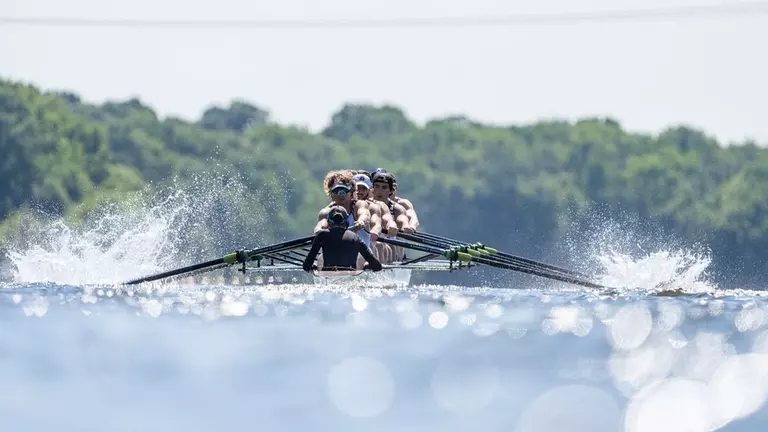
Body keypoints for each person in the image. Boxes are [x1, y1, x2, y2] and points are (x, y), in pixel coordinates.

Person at [303, 205, 382, 273]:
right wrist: (366, 266)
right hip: (351, 276)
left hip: (328, 276)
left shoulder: (322, 235)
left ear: (329, 222)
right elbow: (377, 266)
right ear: (346, 223)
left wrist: (314, 267)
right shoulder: (355, 237)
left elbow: (306, 266)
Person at [353, 172, 398, 263]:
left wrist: (391, 226)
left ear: (370, 190)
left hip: (369, 247)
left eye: (363, 188)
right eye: (357, 188)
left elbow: (384, 221)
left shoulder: (377, 205)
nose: (359, 192)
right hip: (349, 245)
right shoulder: (339, 207)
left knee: (380, 246)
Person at [370, 171, 413, 261]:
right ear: (372, 188)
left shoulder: (397, 208)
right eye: (377, 186)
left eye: (384, 187)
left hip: (390, 249)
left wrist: (405, 227)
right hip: (371, 246)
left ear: (391, 190)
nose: (380, 191)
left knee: (384, 245)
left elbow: (403, 220)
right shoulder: (365, 204)